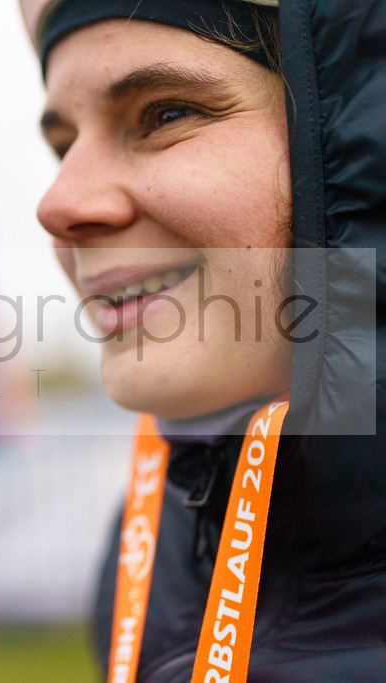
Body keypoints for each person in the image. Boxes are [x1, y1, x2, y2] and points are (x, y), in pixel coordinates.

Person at [19, 0, 386, 680]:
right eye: (64, 146)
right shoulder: (161, 540)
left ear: (360, 137)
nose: (58, 205)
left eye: (165, 114)